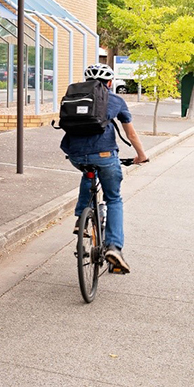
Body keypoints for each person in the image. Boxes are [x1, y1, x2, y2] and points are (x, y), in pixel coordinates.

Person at [61, 63, 148, 273]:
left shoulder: (74, 95)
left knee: (88, 172)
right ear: (109, 82)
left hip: (75, 154)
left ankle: (80, 218)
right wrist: (142, 156)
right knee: (114, 198)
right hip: (105, 155)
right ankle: (114, 248)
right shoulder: (116, 99)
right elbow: (131, 134)